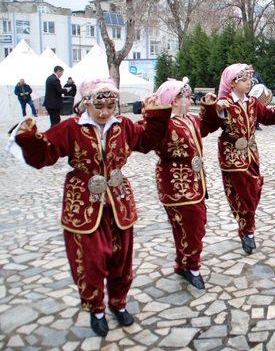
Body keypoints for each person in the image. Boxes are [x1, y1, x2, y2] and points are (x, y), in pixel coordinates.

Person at [14, 78, 171, 337]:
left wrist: (157, 117)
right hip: (84, 201)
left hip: (118, 200)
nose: (105, 112)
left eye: (111, 105)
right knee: (92, 261)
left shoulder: (124, 126)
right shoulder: (71, 128)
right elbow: (45, 154)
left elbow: (147, 141)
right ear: (86, 102)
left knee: (122, 258)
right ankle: (96, 308)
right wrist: (29, 139)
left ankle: (118, 302)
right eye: (100, 105)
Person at [200, 63, 275, 255]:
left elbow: (269, 117)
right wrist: (211, 107)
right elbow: (209, 125)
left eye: (249, 79)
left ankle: (246, 224)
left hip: (252, 154)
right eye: (244, 80)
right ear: (232, 83)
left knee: (254, 191)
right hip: (232, 155)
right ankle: (248, 231)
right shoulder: (225, 103)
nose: (249, 83)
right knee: (245, 194)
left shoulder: (253, 103)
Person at [152, 78, 216, 289]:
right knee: (191, 225)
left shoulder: (190, 120)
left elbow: (208, 125)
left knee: (194, 224)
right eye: (186, 97)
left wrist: (209, 106)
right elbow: (148, 138)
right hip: (175, 184)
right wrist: (153, 114)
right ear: (174, 101)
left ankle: (183, 263)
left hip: (196, 182)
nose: (189, 101)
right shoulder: (163, 124)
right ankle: (192, 266)